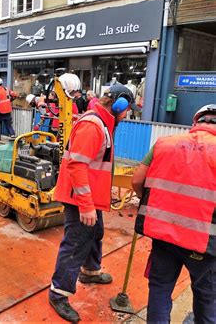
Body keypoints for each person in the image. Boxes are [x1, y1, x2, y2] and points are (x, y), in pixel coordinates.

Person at [49, 83, 136, 322]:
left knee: (95, 232)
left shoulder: (103, 123)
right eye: (127, 109)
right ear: (118, 105)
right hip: (80, 198)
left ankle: (90, 272)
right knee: (76, 242)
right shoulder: (93, 125)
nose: (127, 114)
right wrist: (86, 205)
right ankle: (58, 293)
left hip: (88, 196)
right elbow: (78, 166)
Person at [131, 104, 216, 324]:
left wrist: (152, 205)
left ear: (195, 123)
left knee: (159, 288)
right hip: (205, 243)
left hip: (164, 235)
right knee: (207, 300)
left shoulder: (163, 144)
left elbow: (137, 180)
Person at [0, 77, 17, 144]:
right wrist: (9, 101)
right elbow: (14, 95)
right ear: (1, 83)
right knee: (8, 125)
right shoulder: (6, 89)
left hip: (0, 112)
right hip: (8, 111)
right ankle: (13, 136)